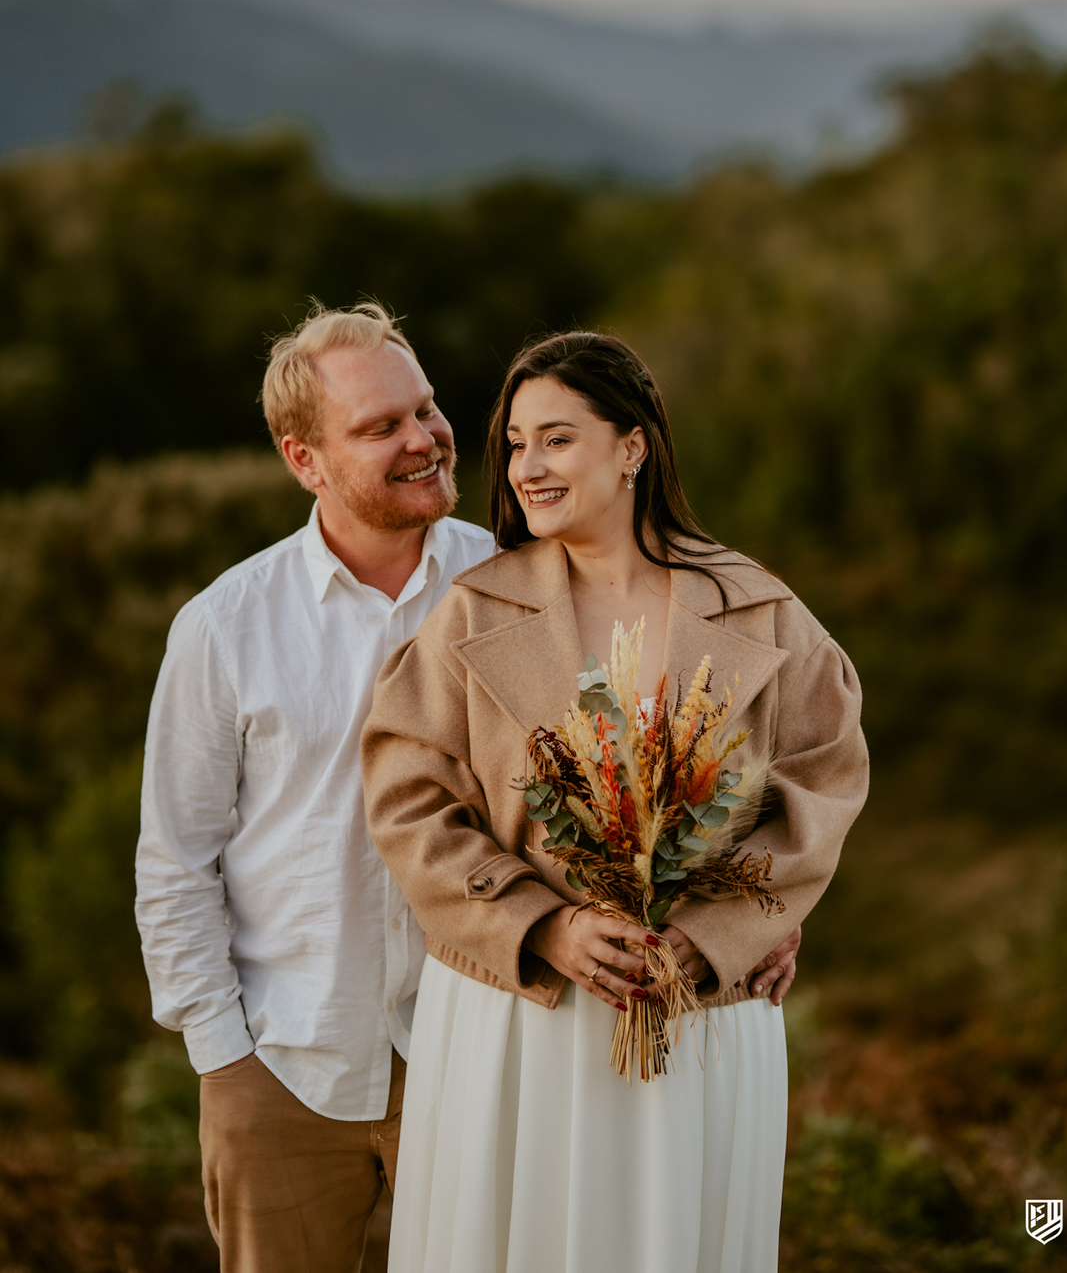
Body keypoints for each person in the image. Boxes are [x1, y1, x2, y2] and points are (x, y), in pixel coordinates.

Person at [135, 303, 800, 1273]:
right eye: (380, 428)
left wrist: (755, 905)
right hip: (287, 1060)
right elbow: (177, 859)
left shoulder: (528, 577)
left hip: (496, 1047)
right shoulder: (225, 625)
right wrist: (222, 1053)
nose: (424, 439)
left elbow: (671, 767)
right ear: (303, 460)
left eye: (426, 409)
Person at [361, 330, 870, 1273]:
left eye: (555, 438)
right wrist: (542, 926)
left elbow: (823, 782)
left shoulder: (758, 606)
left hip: (700, 1015)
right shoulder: (474, 611)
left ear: (632, 446)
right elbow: (407, 800)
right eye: (514, 444)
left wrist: (724, 933)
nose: (525, 467)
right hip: (522, 1017)